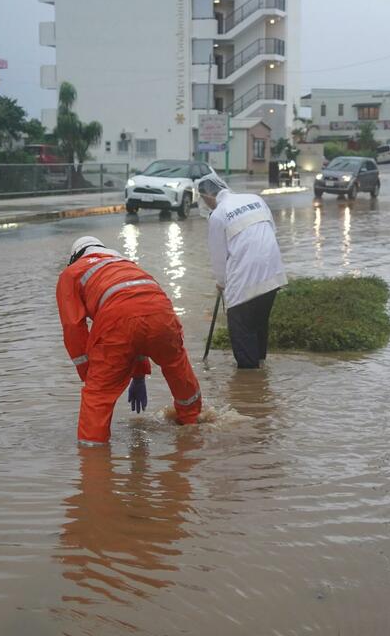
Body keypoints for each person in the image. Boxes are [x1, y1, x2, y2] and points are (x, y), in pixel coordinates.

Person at [56, 236, 202, 446]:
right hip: (162, 313)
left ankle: (94, 460)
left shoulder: (72, 273)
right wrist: (139, 376)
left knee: (97, 396)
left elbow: (73, 328)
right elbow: (140, 319)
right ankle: (193, 426)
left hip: (117, 321)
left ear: (75, 257)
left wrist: (90, 374)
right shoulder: (126, 263)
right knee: (178, 368)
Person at [198, 180, 287, 368]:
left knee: (242, 331)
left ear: (207, 197)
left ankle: (249, 383)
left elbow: (218, 256)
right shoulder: (255, 199)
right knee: (259, 324)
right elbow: (271, 231)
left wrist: (221, 282)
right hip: (272, 275)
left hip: (245, 280)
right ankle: (261, 369)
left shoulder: (218, 215)